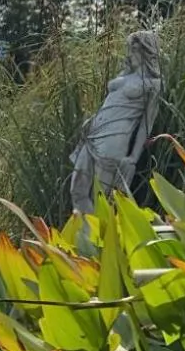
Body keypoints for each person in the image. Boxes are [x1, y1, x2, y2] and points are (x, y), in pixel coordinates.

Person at [69, 30, 161, 214]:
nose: (130, 54)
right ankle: (84, 237)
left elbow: (146, 124)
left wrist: (133, 157)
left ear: (147, 51)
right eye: (130, 49)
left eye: (134, 49)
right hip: (93, 135)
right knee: (77, 190)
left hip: (114, 142)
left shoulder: (153, 84)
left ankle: (102, 240)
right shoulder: (125, 75)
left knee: (102, 199)